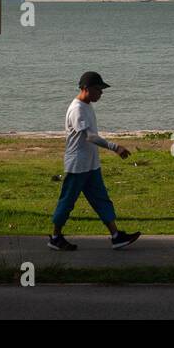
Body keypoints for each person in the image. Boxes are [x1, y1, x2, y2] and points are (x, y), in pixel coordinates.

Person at [48, 71, 141, 251]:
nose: (101, 93)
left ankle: (116, 236)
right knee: (67, 202)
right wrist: (115, 147)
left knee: (102, 200)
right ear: (86, 88)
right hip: (77, 165)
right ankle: (55, 237)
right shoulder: (77, 109)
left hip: (91, 165)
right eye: (98, 89)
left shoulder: (87, 105)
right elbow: (90, 137)